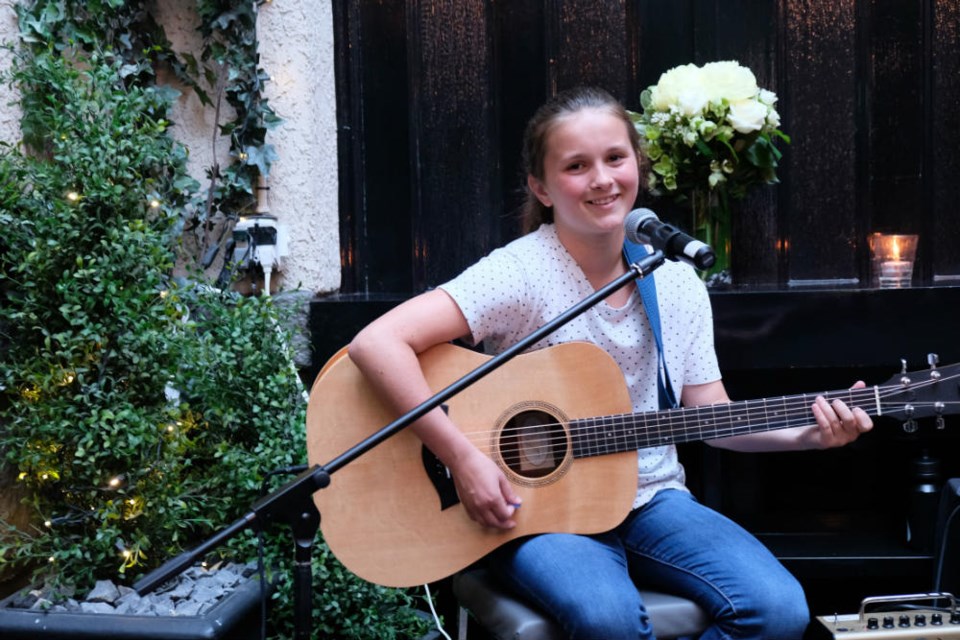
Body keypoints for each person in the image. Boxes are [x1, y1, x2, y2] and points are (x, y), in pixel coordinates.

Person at [348, 86, 874, 640]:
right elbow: (376, 345)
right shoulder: (521, 273)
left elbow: (710, 413)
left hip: (653, 500)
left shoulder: (672, 281)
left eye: (615, 158)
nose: (601, 179)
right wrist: (462, 456)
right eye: (576, 166)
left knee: (777, 609)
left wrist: (805, 439)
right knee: (609, 621)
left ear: (637, 168)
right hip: (533, 511)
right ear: (541, 187)